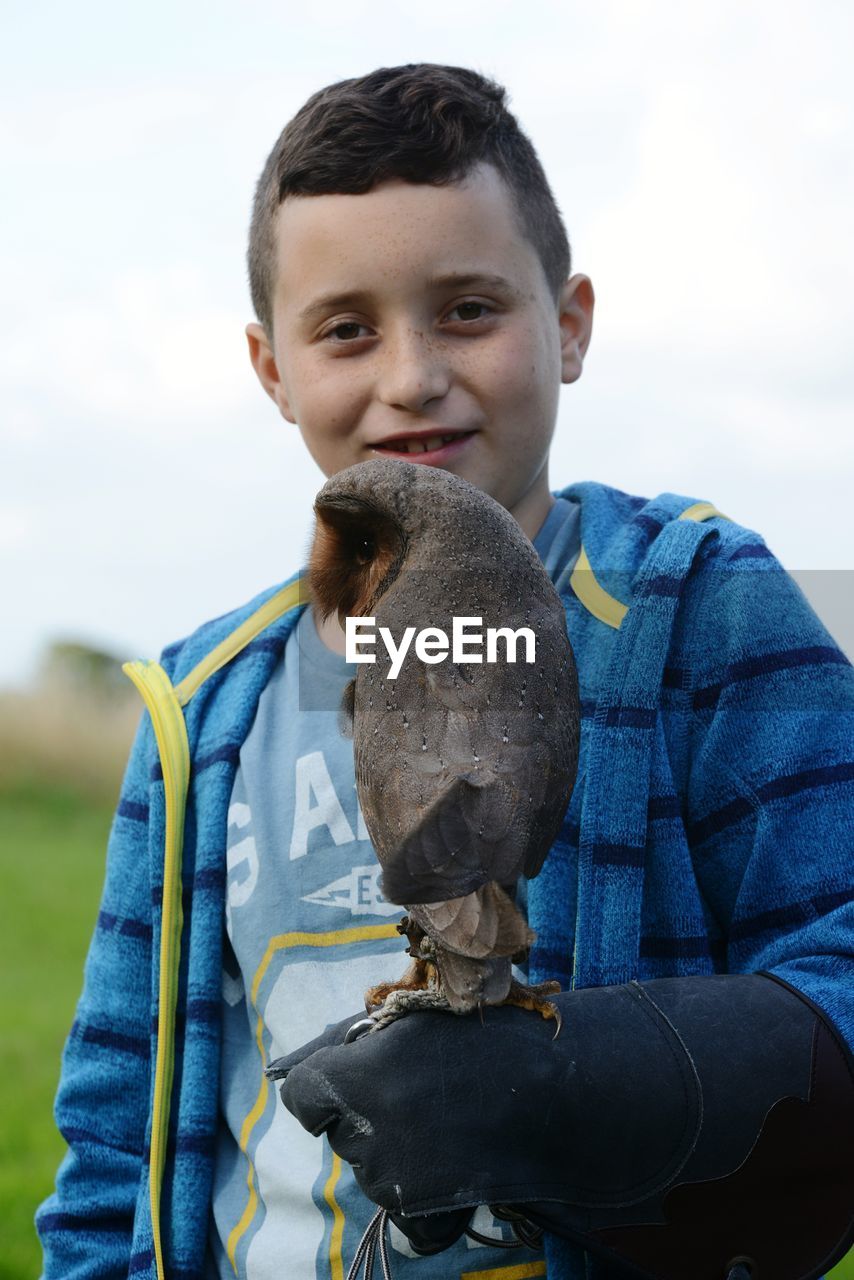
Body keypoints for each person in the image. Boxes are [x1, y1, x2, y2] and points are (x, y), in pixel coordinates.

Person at [36, 63, 854, 1280]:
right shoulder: (199, 706)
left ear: (568, 324)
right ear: (272, 371)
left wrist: (600, 1073)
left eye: (468, 309)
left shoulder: (695, 604)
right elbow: (119, 1143)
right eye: (346, 328)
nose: (410, 374)